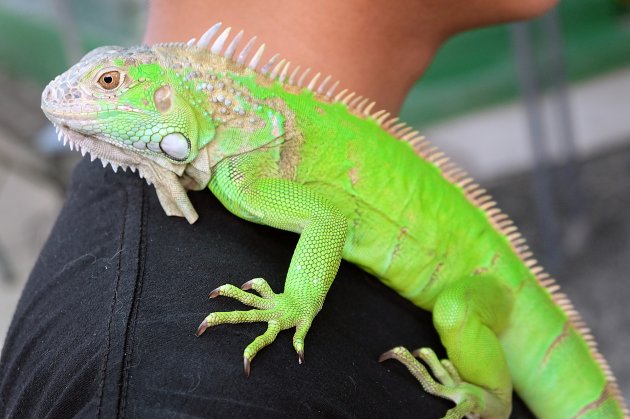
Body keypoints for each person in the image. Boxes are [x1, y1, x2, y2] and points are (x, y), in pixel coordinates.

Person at [0, 0, 556, 417]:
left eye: (107, 83)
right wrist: (294, 304)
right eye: (107, 80)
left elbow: (326, 219)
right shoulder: (157, 389)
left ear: (167, 98)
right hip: (475, 305)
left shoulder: (243, 170)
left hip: (490, 293)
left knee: (460, 311)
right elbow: (327, 218)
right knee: (457, 314)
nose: (77, 95)